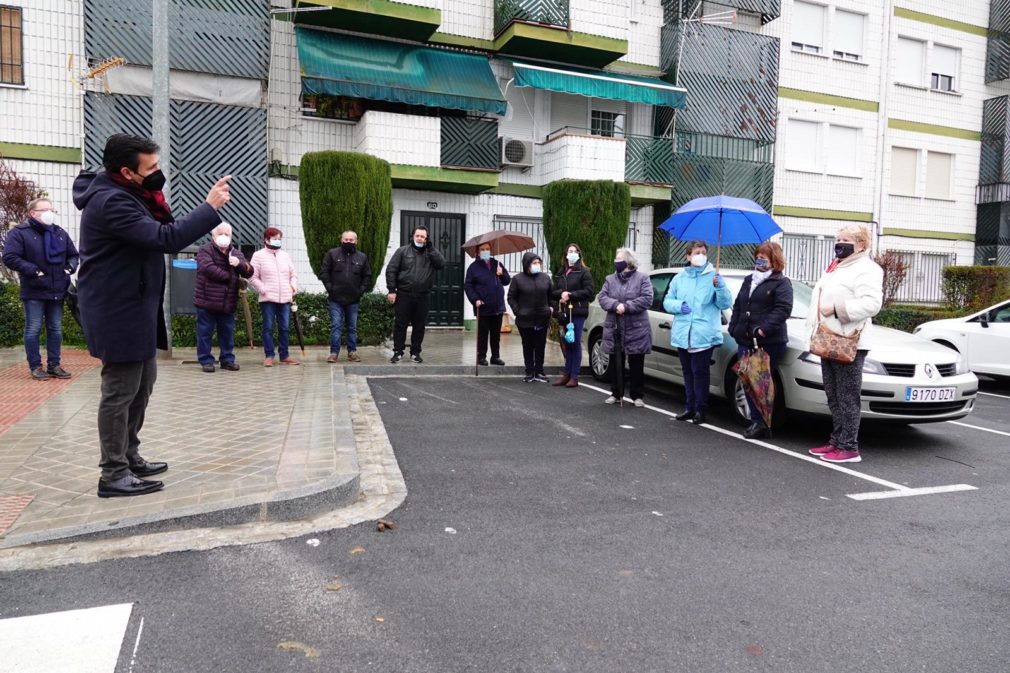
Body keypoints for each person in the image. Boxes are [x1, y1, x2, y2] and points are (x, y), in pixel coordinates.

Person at [74, 133, 231, 498]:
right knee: (120, 391)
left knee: (142, 385)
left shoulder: (130, 193)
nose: (159, 173)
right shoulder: (111, 202)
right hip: (117, 309)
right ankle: (112, 474)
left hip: (136, 305)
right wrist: (209, 208)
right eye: (152, 168)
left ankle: (129, 455)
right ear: (127, 172)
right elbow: (166, 239)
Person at [806, 224, 883, 464]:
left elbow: (872, 304)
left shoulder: (867, 269)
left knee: (848, 396)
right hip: (828, 337)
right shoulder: (838, 267)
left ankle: (849, 446)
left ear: (861, 244)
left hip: (849, 341)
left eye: (846, 239)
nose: (839, 242)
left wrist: (838, 309)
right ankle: (837, 440)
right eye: (838, 238)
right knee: (833, 395)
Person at [2, 198, 80, 380]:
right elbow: (10, 257)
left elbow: (73, 255)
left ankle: (54, 365)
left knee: (55, 329)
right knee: (33, 328)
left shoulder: (59, 233)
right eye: (45, 209)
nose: (49, 213)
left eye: (52, 209)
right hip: (34, 289)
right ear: (32, 213)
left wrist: (69, 268)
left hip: (57, 288)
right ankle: (35, 366)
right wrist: (34, 271)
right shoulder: (20, 233)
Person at [728, 241, 794, 439]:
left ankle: (761, 422)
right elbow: (739, 305)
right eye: (758, 256)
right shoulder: (749, 280)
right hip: (745, 340)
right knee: (747, 379)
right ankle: (758, 421)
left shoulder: (781, 282)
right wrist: (734, 327)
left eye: (764, 257)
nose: (760, 260)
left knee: (761, 383)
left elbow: (783, 309)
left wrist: (764, 329)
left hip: (767, 342)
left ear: (774, 260)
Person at [663, 240, 733, 425]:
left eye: (703, 252)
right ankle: (690, 407)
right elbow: (667, 301)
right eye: (696, 252)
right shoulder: (680, 278)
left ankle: (701, 410)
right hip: (683, 333)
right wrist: (679, 306)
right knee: (687, 372)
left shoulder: (713, 276)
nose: (700, 255)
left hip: (703, 334)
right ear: (688, 256)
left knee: (699, 372)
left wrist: (720, 287)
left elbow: (724, 303)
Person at [193, 222, 253, 373]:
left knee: (227, 332)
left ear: (231, 236)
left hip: (227, 302)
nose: (223, 237)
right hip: (206, 301)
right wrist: (230, 277)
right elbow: (207, 268)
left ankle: (227, 359)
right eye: (220, 233)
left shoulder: (235, 252)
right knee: (205, 332)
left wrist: (240, 264)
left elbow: (249, 271)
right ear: (213, 236)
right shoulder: (205, 250)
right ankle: (206, 360)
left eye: (227, 234)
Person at [597, 248, 653, 406]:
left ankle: (637, 395)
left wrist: (627, 307)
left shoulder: (642, 278)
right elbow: (602, 297)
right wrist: (615, 305)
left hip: (636, 328)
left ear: (628, 261)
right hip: (615, 326)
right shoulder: (610, 279)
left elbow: (647, 299)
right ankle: (616, 393)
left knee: (636, 363)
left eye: (619, 258)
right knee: (615, 361)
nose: (616, 260)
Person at [385, 225, 445, 363]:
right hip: (404, 294)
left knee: (419, 325)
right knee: (400, 324)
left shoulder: (430, 253)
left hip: (423, 296)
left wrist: (431, 249)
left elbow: (441, 264)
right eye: (418, 235)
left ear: (426, 238)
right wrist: (391, 290)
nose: (420, 238)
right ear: (413, 236)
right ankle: (398, 352)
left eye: (423, 236)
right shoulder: (402, 251)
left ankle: (415, 352)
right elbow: (391, 270)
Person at [320, 230, 372, 363]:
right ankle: (333, 353)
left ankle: (352, 352)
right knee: (336, 325)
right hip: (335, 299)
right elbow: (324, 272)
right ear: (341, 240)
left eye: (351, 240)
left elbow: (367, 276)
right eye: (346, 240)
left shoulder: (362, 257)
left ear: (356, 241)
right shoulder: (332, 254)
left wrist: (360, 290)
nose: (348, 242)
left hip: (353, 299)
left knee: (352, 327)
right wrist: (330, 288)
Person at [250, 227, 299, 367]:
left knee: (284, 327)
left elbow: (293, 275)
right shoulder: (258, 255)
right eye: (275, 238)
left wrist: (292, 287)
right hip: (267, 299)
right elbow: (252, 277)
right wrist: (263, 289)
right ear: (266, 239)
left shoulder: (285, 255)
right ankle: (269, 355)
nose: (278, 241)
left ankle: (284, 355)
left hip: (285, 298)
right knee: (268, 327)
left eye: (279, 239)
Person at [550, 243, 594, 387]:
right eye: (570, 251)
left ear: (579, 255)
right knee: (566, 344)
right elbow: (553, 291)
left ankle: (574, 376)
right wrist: (561, 295)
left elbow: (588, 291)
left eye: (575, 251)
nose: (573, 253)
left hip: (577, 312)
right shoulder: (561, 272)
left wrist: (571, 295)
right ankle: (566, 374)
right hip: (564, 313)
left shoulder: (584, 272)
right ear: (566, 254)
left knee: (575, 344)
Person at [507, 252, 552, 382]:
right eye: (534, 263)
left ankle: (539, 371)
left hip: (542, 318)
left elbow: (551, 295)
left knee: (540, 345)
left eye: (538, 263)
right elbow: (511, 297)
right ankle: (529, 371)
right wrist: (518, 311)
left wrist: (551, 308)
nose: (537, 265)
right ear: (527, 264)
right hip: (524, 320)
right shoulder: (517, 279)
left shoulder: (545, 278)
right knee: (527, 345)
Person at [463, 241, 510, 366]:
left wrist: (502, 274)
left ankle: (495, 357)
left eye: (487, 249)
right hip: (482, 306)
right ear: (478, 252)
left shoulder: (497, 264)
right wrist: (475, 299)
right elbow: (468, 286)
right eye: (482, 249)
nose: (485, 251)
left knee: (496, 335)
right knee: (482, 335)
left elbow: (507, 281)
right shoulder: (473, 268)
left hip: (497, 306)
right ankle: (481, 357)